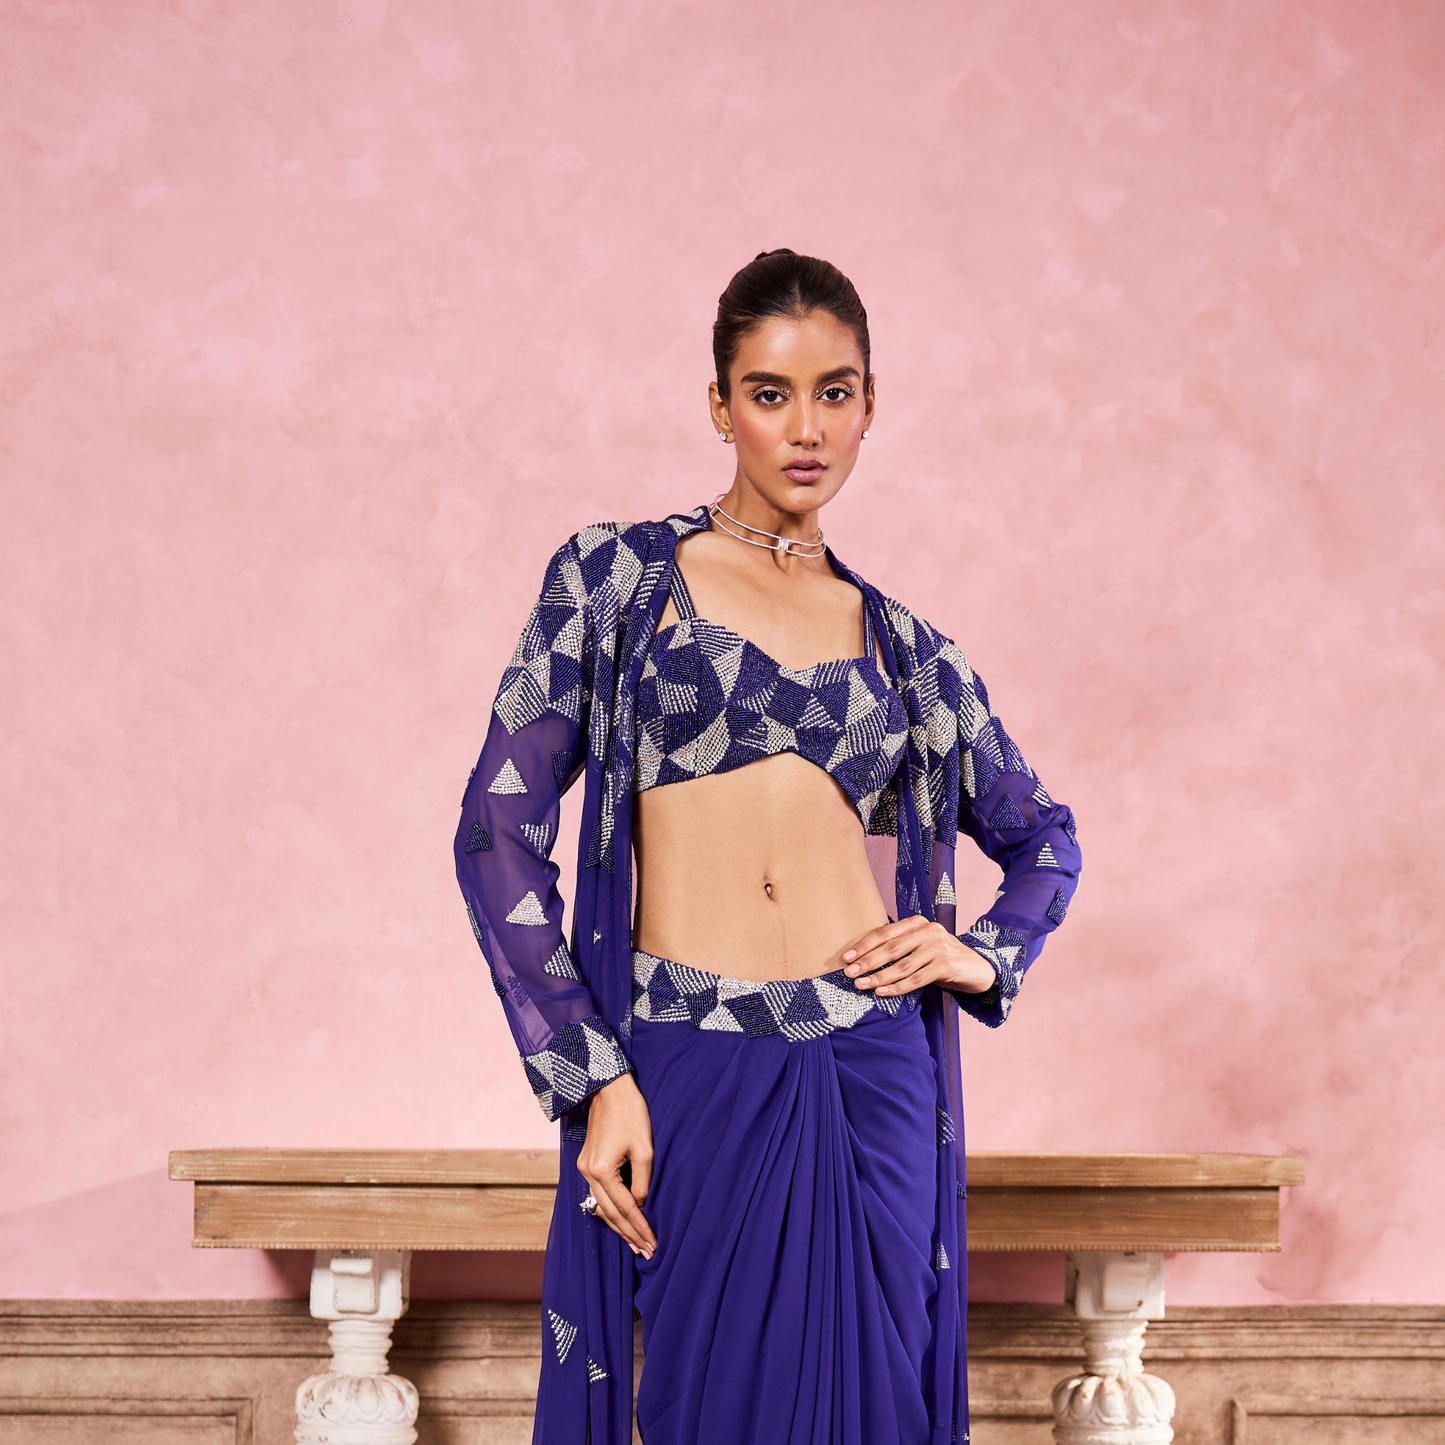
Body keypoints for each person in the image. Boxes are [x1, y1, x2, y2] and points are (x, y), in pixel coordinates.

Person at [454, 250, 1081, 1445]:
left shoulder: (908, 648)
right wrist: (593, 1074)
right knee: (703, 1404)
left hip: (869, 1069)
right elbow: (496, 830)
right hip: (686, 1061)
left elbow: (1044, 838)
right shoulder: (616, 581)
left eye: (833, 393)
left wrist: (978, 952)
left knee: (875, 1403)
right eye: (769, 393)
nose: (805, 429)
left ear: (869, 404)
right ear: (718, 403)